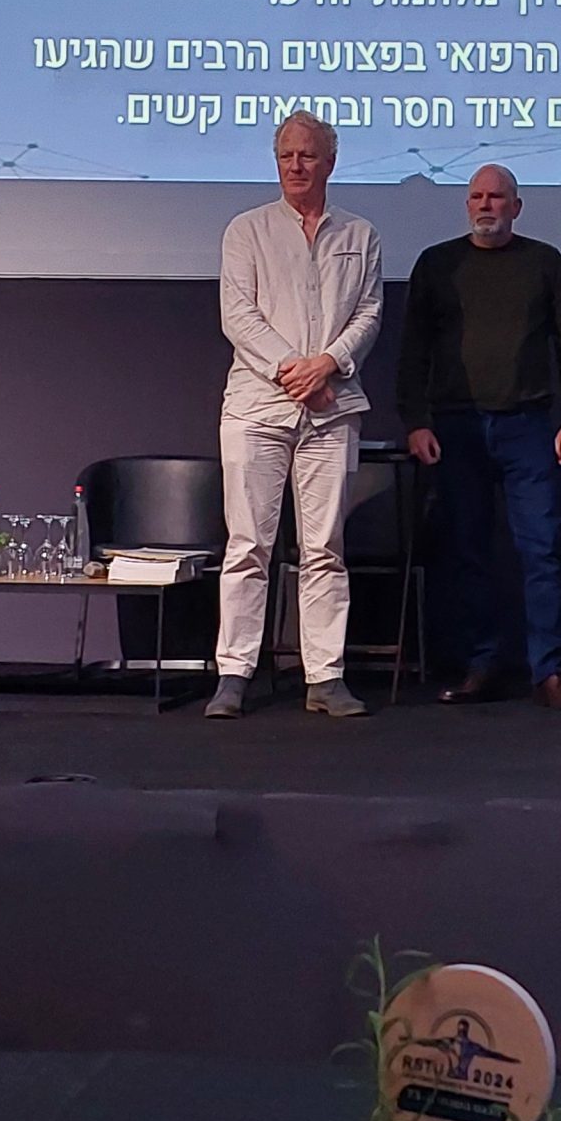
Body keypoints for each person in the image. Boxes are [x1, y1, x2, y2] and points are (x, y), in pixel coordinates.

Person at [206, 110, 383, 720]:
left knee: (325, 546)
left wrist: (328, 364)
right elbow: (238, 316)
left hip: (332, 409)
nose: (296, 165)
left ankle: (325, 677)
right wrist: (294, 371)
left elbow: (369, 313)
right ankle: (234, 674)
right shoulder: (246, 230)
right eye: (286, 155)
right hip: (257, 408)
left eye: (307, 155)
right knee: (248, 544)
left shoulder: (360, 234)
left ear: (330, 162)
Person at [398, 165, 561, 710]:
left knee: (543, 550)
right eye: (477, 197)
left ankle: (549, 672)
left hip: (528, 425)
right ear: (467, 205)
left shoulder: (543, 262)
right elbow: (412, 348)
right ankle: (479, 664)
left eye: (497, 197)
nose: (486, 206)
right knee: (467, 551)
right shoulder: (437, 264)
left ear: (516, 207)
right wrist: (414, 420)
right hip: (455, 425)